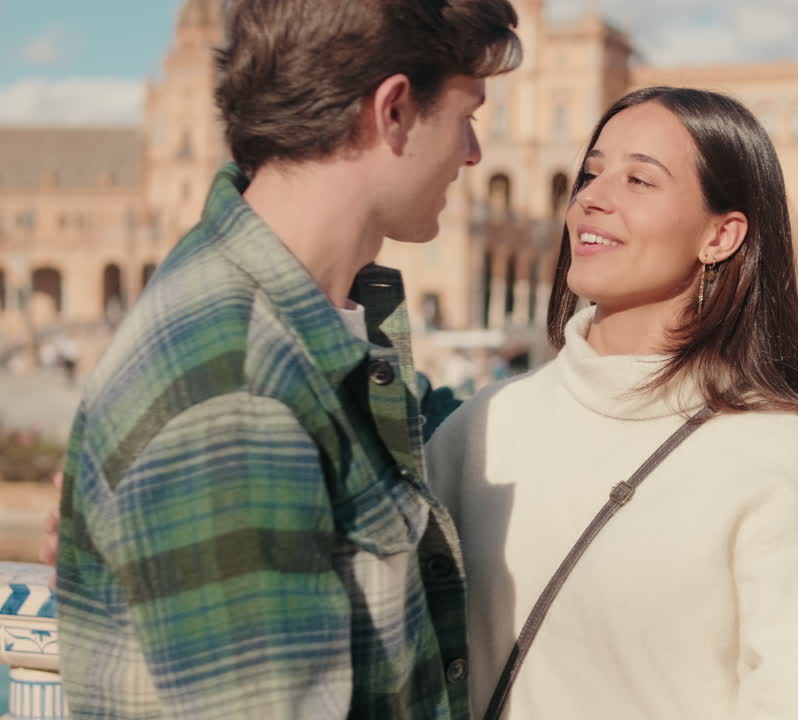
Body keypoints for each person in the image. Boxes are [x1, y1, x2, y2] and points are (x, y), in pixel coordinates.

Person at [53, 1, 520, 717]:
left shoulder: (315, 333)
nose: (473, 154)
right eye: (468, 116)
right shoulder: (235, 393)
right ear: (392, 110)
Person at [425, 86, 798, 719]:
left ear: (721, 235)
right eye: (590, 174)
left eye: (639, 180)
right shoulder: (483, 428)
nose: (591, 198)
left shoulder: (773, 455)